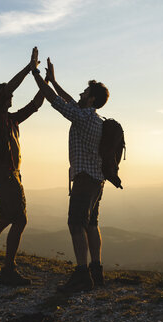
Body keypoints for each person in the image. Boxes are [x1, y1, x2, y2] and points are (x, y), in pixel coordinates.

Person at [32, 53, 110, 292]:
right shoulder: (95, 118)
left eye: (84, 93)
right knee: (91, 223)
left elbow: (55, 101)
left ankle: (81, 274)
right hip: (98, 180)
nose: (80, 95)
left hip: (84, 179)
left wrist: (36, 76)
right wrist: (53, 80)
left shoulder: (83, 117)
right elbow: (69, 101)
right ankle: (96, 271)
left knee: (75, 224)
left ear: (92, 98)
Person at [0, 47, 45, 286]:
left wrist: (45, 81)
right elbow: (11, 87)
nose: (11, 98)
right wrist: (29, 67)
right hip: (5, 175)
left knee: (4, 219)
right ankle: (8, 271)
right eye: (7, 96)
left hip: (8, 175)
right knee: (19, 220)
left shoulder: (9, 119)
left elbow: (34, 105)